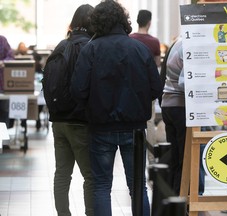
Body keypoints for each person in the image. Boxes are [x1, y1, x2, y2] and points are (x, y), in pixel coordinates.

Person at [70, 1, 162, 216]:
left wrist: (92, 105)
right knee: (137, 185)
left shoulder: (90, 49)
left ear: (97, 22)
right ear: (124, 21)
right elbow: (157, 88)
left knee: (102, 186)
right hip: (135, 128)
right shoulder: (140, 49)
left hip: (101, 127)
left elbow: (78, 90)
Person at [47, 4, 95, 216]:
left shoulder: (60, 46)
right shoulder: (89, 47)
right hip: (79, 121)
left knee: (62, 174)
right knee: (91, 176)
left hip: (57, 120)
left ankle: (63, 214)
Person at [160, 37, 205, 195]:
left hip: (169, 104)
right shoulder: (191, 44)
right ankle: (182, 200)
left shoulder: (178, 42)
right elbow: (185, 82)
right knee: (184, 158)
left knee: (176, 158)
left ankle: (174, 199)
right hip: (181, 106)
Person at [130, 9, 161, 163]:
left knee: (131, 121)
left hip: (130, 87)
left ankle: (134, 155)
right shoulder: (154, 42)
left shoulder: (129, 39)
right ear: (149, 22)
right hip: (147, 87)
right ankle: (150, 157)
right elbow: (157, 64)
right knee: (149, 121)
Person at [0, 35, 14, 127]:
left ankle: (4, 138)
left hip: (2, 84)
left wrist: (3, 62)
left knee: (4, 111)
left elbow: (11, 57)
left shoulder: (2, 40)